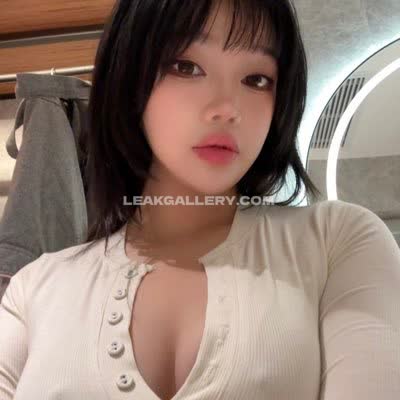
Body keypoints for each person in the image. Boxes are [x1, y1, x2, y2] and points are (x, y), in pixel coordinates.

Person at [1, 0, 400, 399]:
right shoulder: (35, 287)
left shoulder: (335, 243)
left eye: (257, 79)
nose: (227, 109)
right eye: (186, 67)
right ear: (128, 76)